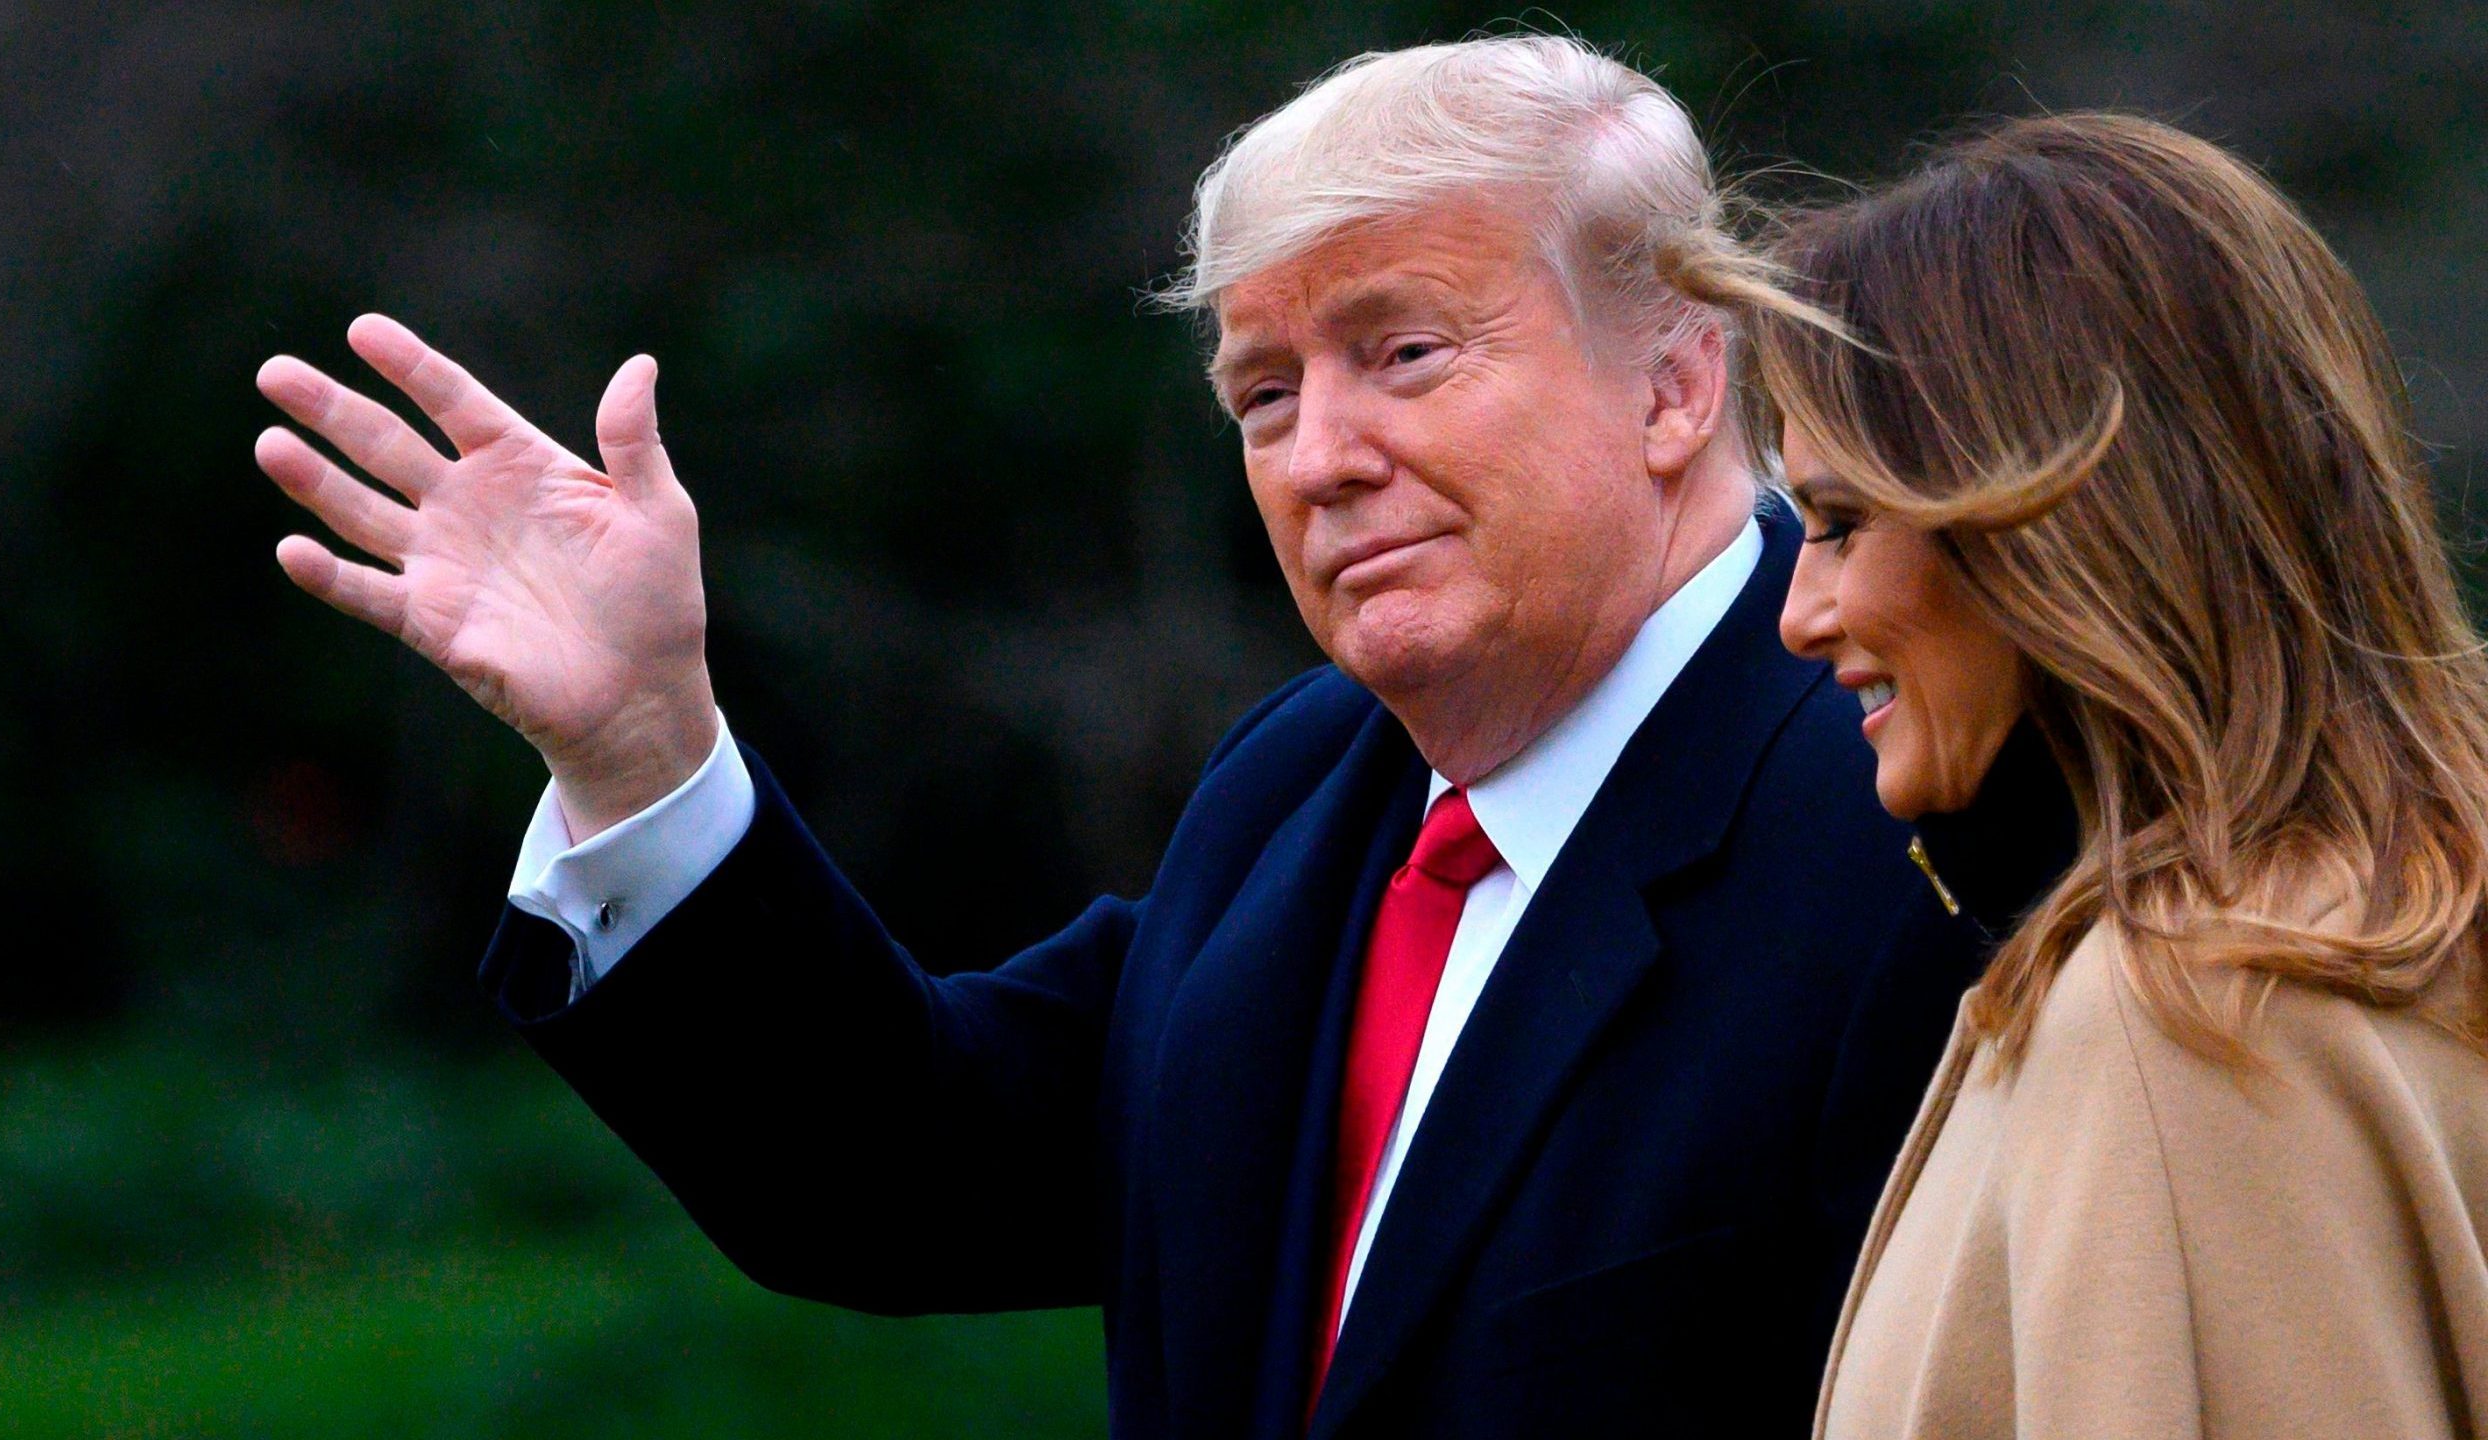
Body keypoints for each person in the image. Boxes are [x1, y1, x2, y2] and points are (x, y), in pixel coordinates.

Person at [253, 38, 1975, 1439]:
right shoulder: (1298, 787)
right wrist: (641, 748)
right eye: (1266, 394)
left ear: (1677, 384)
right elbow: (899, 1170)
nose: (1321, 457)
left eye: (1405, 353)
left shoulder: (1923, 811)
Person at [1666, 111, 2488, 1438]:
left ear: (2064, 527)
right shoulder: (2379, 917)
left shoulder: (2187, 1016)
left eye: (1844, 522)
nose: (1801, 615)